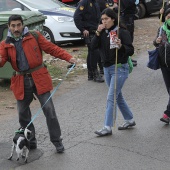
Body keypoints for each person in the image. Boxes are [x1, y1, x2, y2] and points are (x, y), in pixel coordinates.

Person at [0, 15, 76, 152]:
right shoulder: (5, 44)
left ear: (22, 25)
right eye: (13, 26)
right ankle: (31, 140)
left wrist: (69, 57)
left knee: (49, 111)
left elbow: (52, 48)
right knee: (23, 114)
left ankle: (57, 141)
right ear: (9, 27)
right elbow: (1, 61)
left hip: (39, 77)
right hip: (20, 81)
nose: (16, 28)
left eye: (18, 25)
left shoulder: (34, 36)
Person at [91, 8, 136, 136]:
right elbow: (93, 47)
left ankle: (107, 126)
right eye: (102, 19)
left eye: (106, 19)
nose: (104, 21)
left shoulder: (122, 32)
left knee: (111, 97)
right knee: (118, 96)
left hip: (119, 68)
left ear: (113, 19)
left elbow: (131, 50)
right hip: (107, 68)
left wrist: (121, 46)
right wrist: (98, 32)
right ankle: (130, 119)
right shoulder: (102, 32)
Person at [74, 0, 104, 82]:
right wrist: (82, 29)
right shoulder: (84, 2)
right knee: (94, 51)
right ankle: (95, 74)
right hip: (88, 32)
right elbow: (76, 17)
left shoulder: (95, 3)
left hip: (95, 31)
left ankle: (91, 74)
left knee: (92, 52)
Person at [153, 9, 170, 124]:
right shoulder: (161, 29)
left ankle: (167, 114)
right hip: (164, 64)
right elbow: (155, 43)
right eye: (168, 17)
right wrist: (156, 41)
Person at [113, 0, 137, 67]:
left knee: (130, 36)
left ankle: (128, 57)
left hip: (130, 15)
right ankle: (126, 57)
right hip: (126, 15)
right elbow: (127, 4)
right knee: (127, 37)